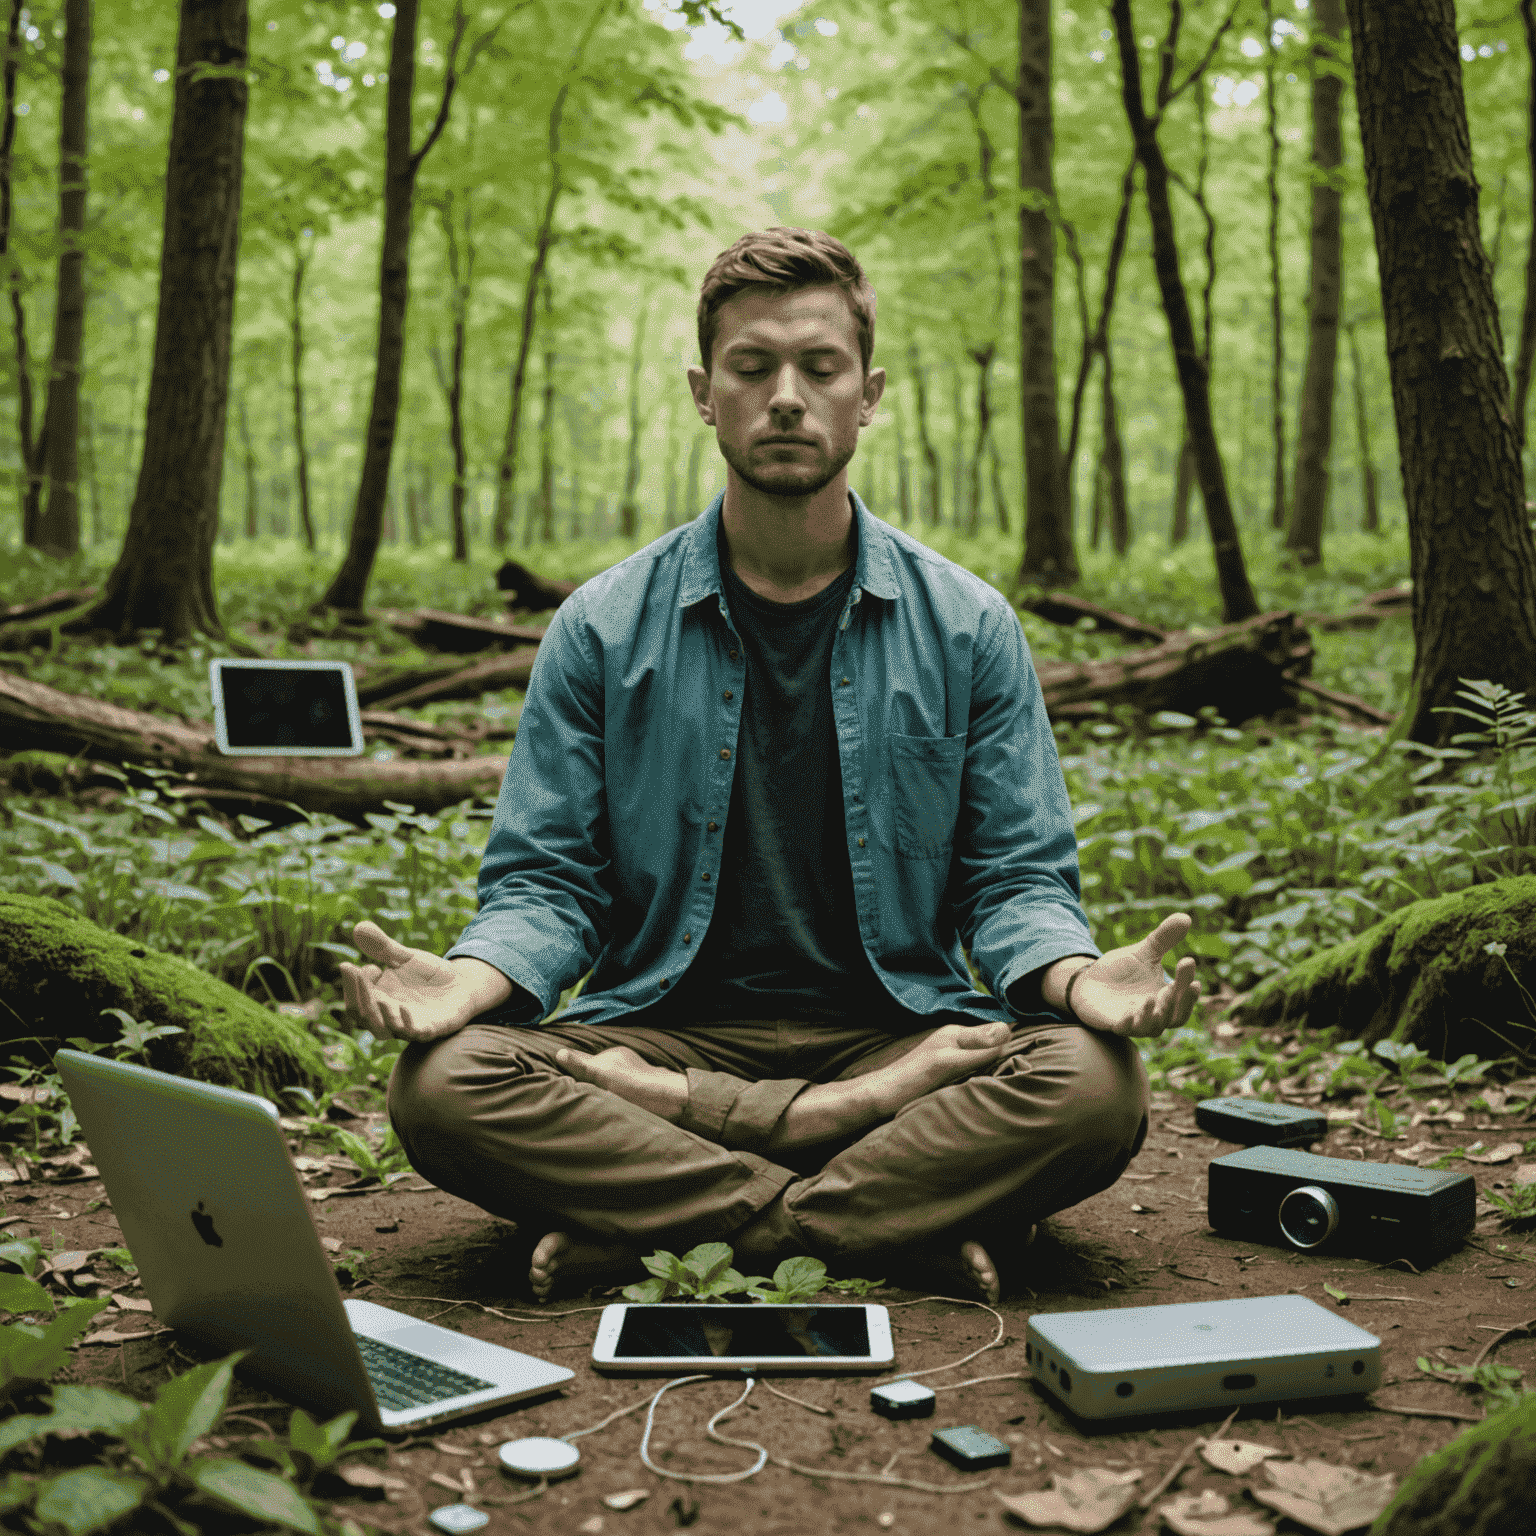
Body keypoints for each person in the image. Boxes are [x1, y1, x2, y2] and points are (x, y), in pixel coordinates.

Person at [341, 227, 1200, 1305]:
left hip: (894, 1035)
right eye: (752, 369)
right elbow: (551, 880)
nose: (785, 397)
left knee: (1093, 1084)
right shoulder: (601, 627)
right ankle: (875, 1220)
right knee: (444, 1084)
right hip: (659, 1028)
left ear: (868, 392)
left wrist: (1076, 981)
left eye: (819, 368)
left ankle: (671, 1223)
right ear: (707, 393)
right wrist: (470, 983)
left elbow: (1014, 878)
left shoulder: (968, 623)